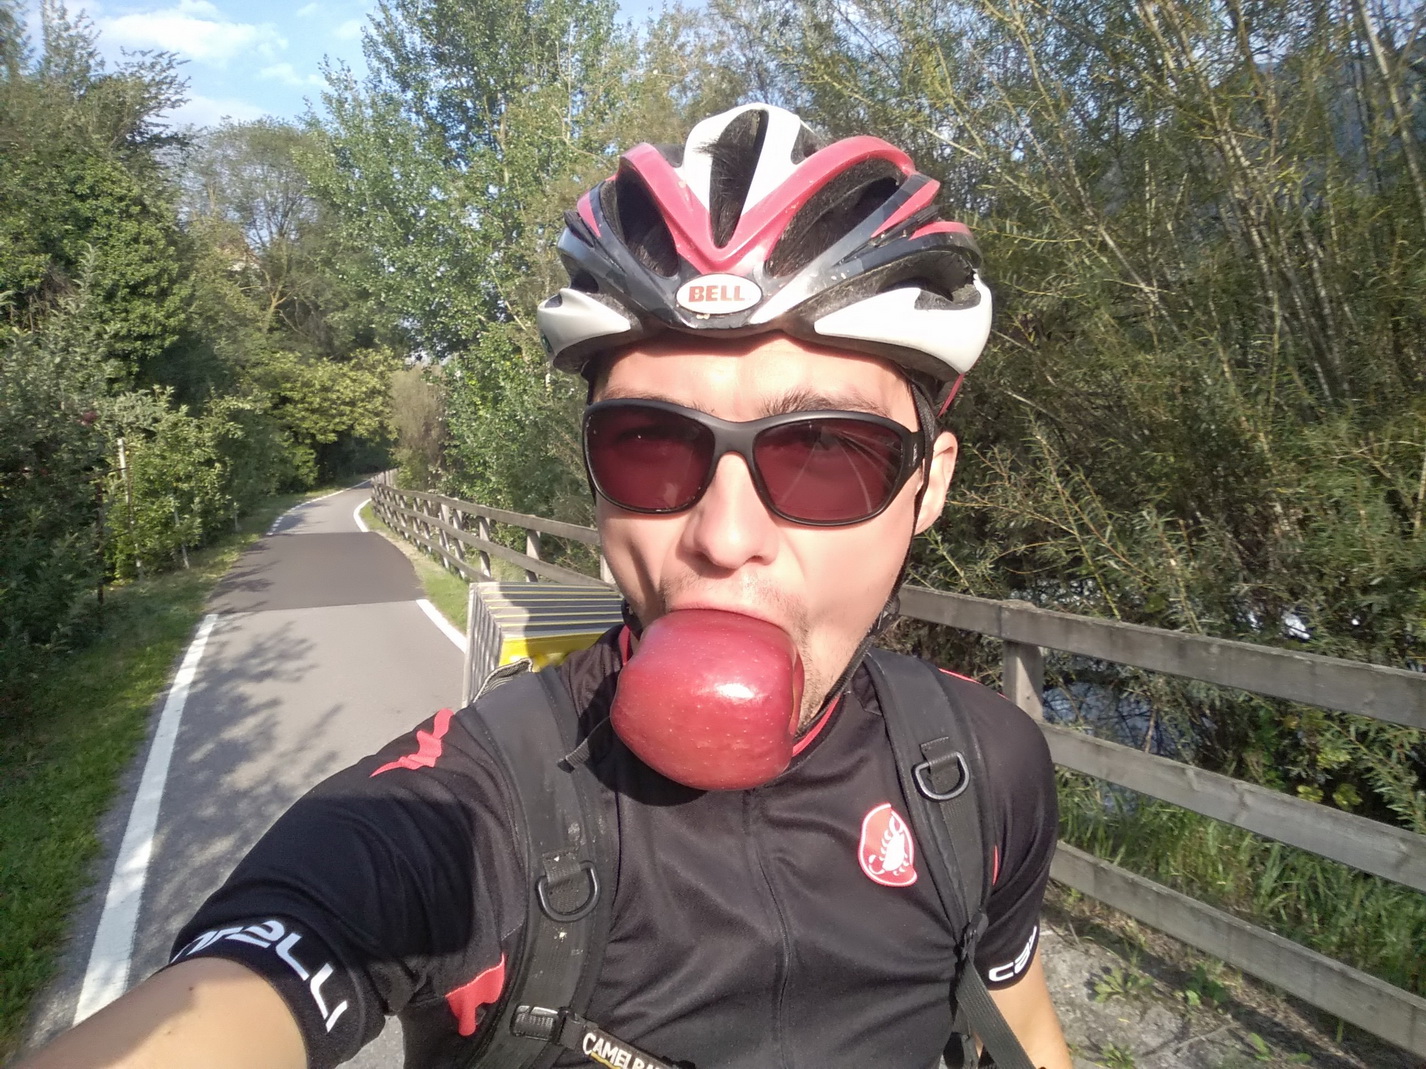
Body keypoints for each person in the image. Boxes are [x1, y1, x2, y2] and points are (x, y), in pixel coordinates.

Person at [19, 103, 1070, 1069]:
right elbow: (245, 985)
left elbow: (1021, 1024)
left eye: (824, 454)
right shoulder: (475, 810)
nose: (723, 537)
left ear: (928, 485)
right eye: (651, 445)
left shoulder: (984, 769)